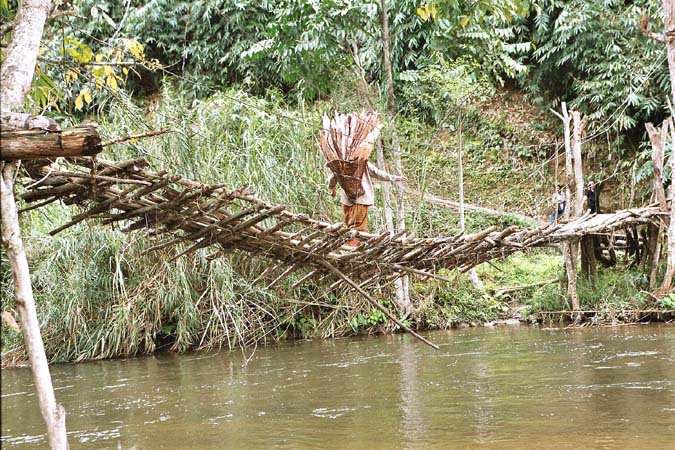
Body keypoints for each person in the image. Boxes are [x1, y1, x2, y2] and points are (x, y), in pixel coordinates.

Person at [329, 162, 407, 247]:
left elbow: (334, 175)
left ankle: (352, 249)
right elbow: (377, 172)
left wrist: (332, 188)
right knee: (358, 229)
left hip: (347, 200)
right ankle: (354, 250)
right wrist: (394, 178)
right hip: (360, 200)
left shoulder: (342, 160)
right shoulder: (361, 160)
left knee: (351, 226)